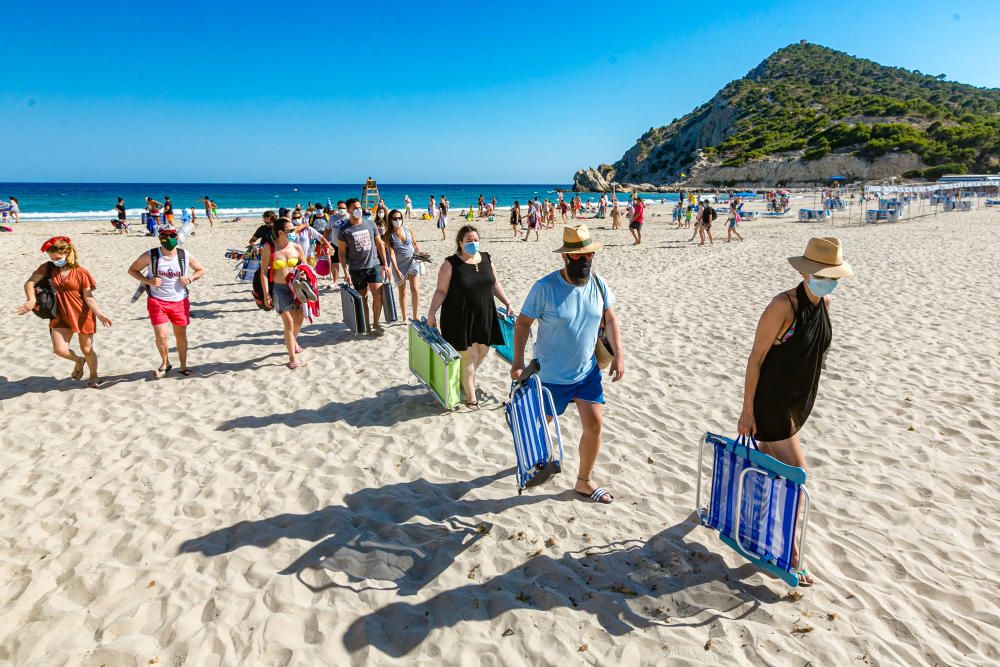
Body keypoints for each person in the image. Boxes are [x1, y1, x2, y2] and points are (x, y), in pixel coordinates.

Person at [738, 237, 853, 585]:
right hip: (771, 402)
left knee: (771, 472)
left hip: (794, 402)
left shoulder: (825, 303)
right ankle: (792, 554)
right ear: (806, 273)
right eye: (821, 273)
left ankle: (757, 531)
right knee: (798, 477)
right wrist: (747, 412)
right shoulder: (782, 305)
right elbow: (755, 360)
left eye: (831, 275)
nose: (827, 280)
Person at [511, 224, 624, 504]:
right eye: (578, 256)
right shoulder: (545, 287)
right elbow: (523, 322)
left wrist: (619, 354)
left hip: (587, 373)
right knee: (539, 427)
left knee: (595, 424)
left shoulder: (599, 285)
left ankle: (584, 481)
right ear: (565, 257)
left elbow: (609, 319)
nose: (584, 260)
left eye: (588, 256)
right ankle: (531, 462)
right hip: (549, 376)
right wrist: (517, 362)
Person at [427, 225, 513, 409]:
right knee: (469, 356)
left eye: (475, 240)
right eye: (468, 241)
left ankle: (465, 379)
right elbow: (441, 290)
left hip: (485, 314)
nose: (473, 243)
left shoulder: (487, 259)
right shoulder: (450, 264)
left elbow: (495, 283)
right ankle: (471, 397)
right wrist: (432, 312)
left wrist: (507, 302)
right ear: (460, 243)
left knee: (482, 351)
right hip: (459, 316)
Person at [15, 236, 113, 387]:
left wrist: (99, 314)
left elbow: (89, 297)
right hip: (59, 314)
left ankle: (93, 375)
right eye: (52, 257)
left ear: (68, 253)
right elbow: (29, 282)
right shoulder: (48, 268)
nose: (55, 260)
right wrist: (31, 299)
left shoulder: (81, 272)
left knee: (87, 348)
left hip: (81, 314)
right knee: (59, 350)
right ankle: (79, 361)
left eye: (58, 257)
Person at [127, 228, 206, 378]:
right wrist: (148, 281)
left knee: (180, 336)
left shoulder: (184, 255)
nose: (168, 239)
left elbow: (201, 270)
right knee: (161, 336)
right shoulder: (152, 255)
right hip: (157, 301)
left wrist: (190, 279)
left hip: (180, 301)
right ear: (159, 237)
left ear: (176, 237)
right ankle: (165, 363)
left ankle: (183, 366)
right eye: (164, 236)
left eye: (171, 236)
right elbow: (132, 270)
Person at [261, 217, 309, 368]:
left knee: (300, 318)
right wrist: (266, 293)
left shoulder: (297, 247)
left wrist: (304, 275)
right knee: (288, 322)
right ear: (281, 232)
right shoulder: (270, 247)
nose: (294, 232)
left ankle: (291, 340)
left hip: (296, 288)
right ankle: (292, 358)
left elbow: (305, 267)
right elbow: (263, 271)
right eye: (291, 230)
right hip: (278, 288)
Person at [338, 198, 391, 334]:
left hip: (374, 266)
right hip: (356, 269)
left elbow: (380, 244)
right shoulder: (344, 230)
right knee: (363, 299)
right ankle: (366, 325)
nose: (358, 210)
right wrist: (345, 272)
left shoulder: (371, 224)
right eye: (354, 208)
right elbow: (342, 253)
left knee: (378, 295)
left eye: (359, 207)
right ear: (349, 211)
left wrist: (385, 264)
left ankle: (376, 323)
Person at [384, 209, 422, 321]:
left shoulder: (408, 230)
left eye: (399, 218)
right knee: (403, 292)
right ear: (390, 220)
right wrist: (396, 269)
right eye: (395, 218)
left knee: (415, 289)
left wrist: (420, 255)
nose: (398, 220)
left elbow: (415, 244)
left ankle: (415, 316)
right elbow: (391, 254)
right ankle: (405, 317)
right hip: (399, 266)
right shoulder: (388, 236)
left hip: (413, 263)